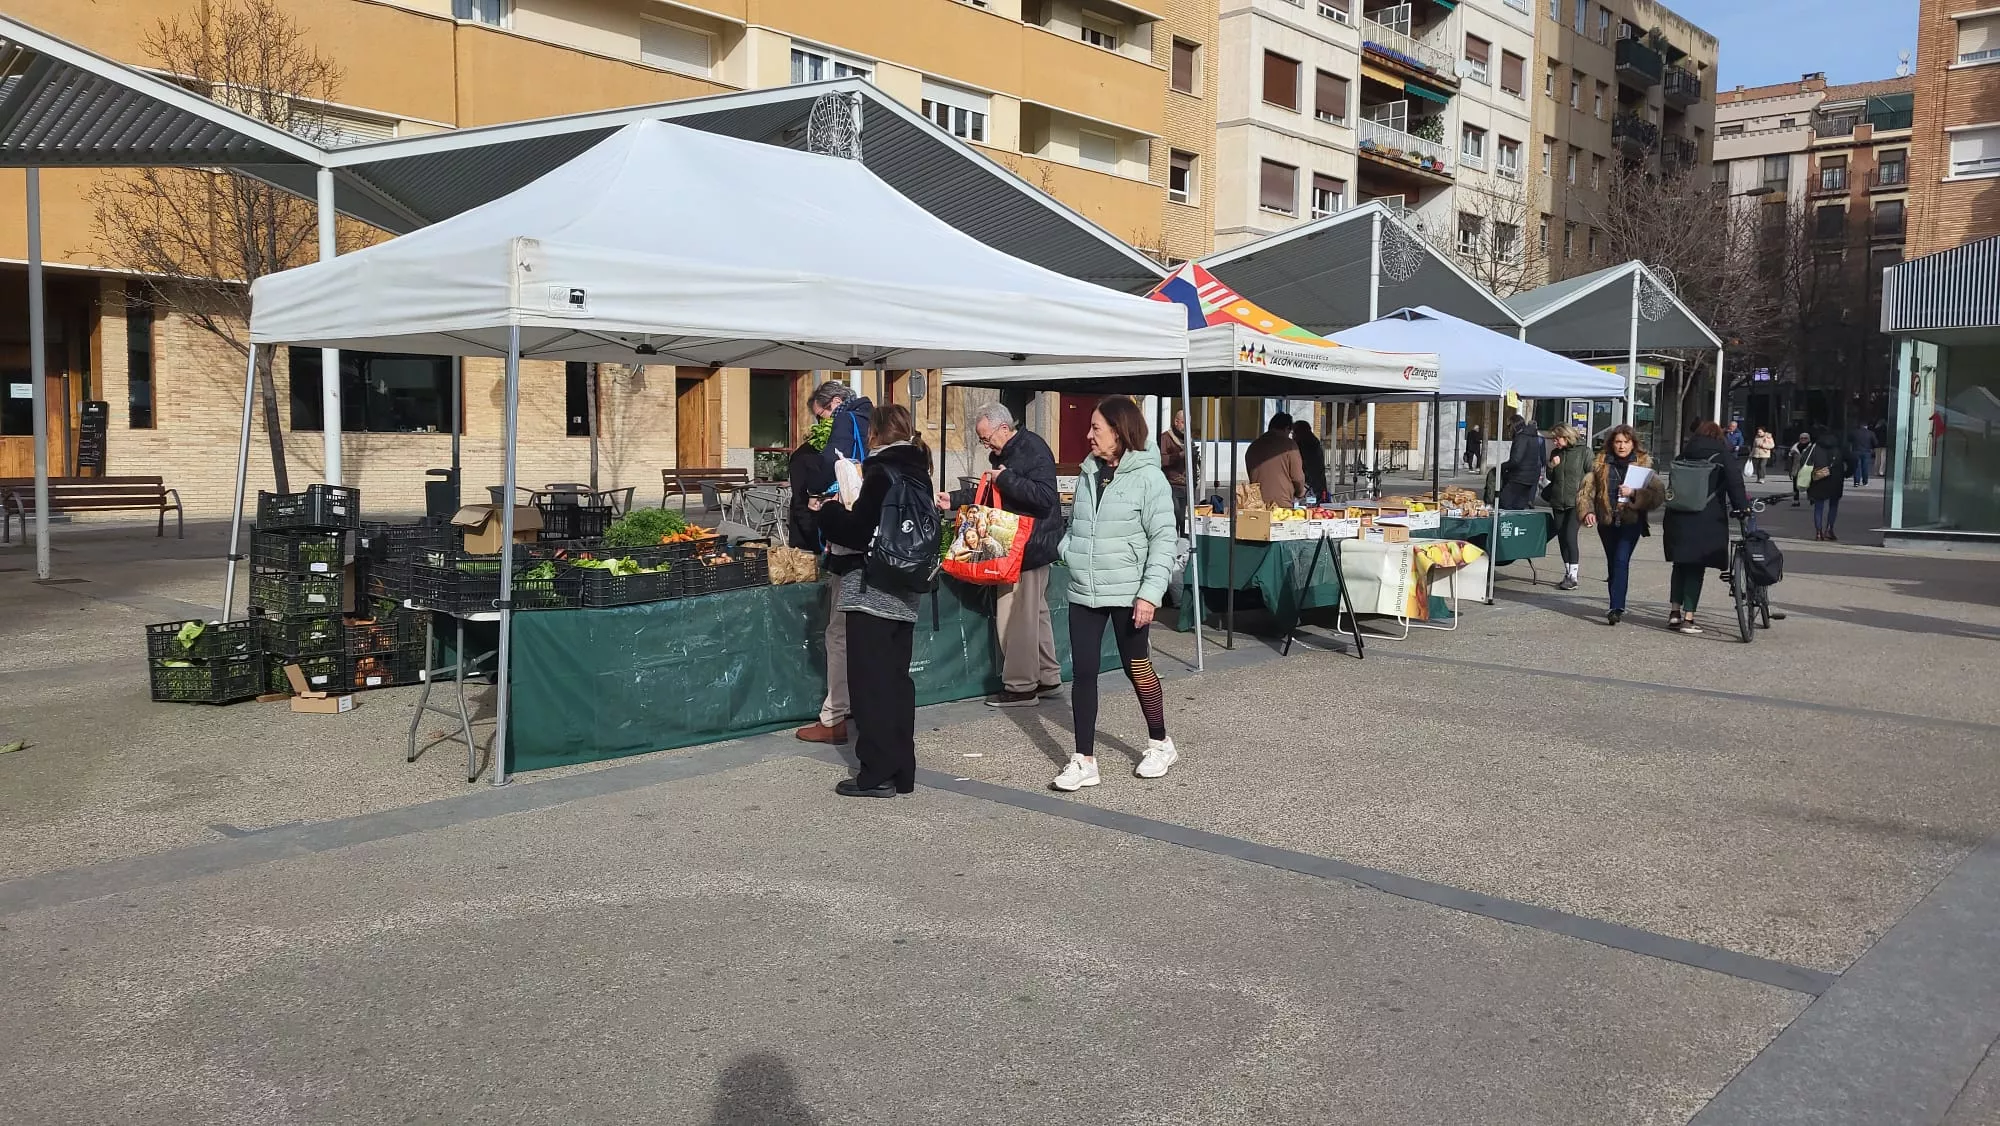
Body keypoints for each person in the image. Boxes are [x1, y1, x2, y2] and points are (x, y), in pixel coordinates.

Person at [1053, 396, 1180, 792]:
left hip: (1130, 592)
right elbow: (1075, 527)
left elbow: (1163, 540)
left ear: (1120, 432)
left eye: (1097, 428)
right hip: (1084, 590)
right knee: (1084, 673)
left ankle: (1160, 743)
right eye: (1090, 427)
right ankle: (1084, 760)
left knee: (1136, 666)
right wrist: (1068, 552)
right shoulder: (1088, 473)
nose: (1088, 435)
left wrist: (1149, 594)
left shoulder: (1149, 478)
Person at [810, 403, 933, 798]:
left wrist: (828, 513)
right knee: (897, 681)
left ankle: (876, 772)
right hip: (906, 589)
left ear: (875, 434)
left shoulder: (880, 471)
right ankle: (903, 769)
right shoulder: (919, 471)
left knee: (870, 684)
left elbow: (859, 531)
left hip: (871, 587)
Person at [938, 402, 1065, 708]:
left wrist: (1005, 478)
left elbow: (1045, 497)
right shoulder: (1009, 452)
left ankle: (1021, 686)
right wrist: (954, 499)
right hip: (1028, 545)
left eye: (985, 438)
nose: (985, 444)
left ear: (1004, 428)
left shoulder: (1031, 449)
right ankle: (1048, 677)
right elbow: (990, 494)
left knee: (1015, 616)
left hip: (1026, 547)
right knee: (1035, 615)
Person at [794, 380, 874, 747]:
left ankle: (834, 715)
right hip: (880, 552)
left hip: (850, 546)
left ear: (836, 402)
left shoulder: (844, 421)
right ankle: (860, 705)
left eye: (821, 412)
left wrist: (816, 495)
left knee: (838, 632)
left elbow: (828, 470)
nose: (821, 420)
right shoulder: (874, 421)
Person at [1660, 420, 1750, 636]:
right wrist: (1743, 509)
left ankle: (1674, 613)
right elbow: (1735, 485)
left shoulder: (1683, 455)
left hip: (1677, 517)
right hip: (1706, 518)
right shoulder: (1722, 456)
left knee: (1680, 564)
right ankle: (1688, 617)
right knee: (1696, 567)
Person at [1577, 424, 1665, 626]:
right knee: (1612, 563)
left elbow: (1658, 495)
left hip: (1630, 522)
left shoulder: (1643, 465)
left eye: (1626, 442)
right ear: (1612, 443)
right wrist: (1587, 512)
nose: (1622, 446)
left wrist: (1635, 494)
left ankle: (1616, 607)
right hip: (1607, 522)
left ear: (1633, 443)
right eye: (1618, 442)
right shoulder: (1600, 464)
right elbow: (1586, 492)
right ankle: (1614, 603)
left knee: (1620, 560)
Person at [1542, 425, 1589, 590]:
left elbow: (1592, 475)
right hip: (1558, 501)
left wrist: (1589, 503)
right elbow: (1549, 476)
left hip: (1576, 502)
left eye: (1557, 438)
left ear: (1567, 437)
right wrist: (1551, 466)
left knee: (1570, 536)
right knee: (1562, 537)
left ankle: (1574, 576)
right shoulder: (1556, 453)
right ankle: (1568, 573)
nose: (1555, 442)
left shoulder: (1584, 452)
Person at [1245, 411, 1306, 508]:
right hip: (1281, 503)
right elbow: (1297, 477)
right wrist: (1300, 493)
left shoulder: (1254, 445)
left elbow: (1251, 474)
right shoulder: (1290, 446)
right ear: (1286, 428)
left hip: (1257, 503)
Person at [1808, 426, 1851, 541]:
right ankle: (1829, 529)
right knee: (1833, 504)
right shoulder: (1840, 446)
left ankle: (1818, 532)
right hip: (1836, 478)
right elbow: (1853, 459)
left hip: (1819, 477)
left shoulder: (1815, 446)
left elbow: (1805, 461)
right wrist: (1847, 473)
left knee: (1819, 505)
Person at [1497, 413, 1544, 511]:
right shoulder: (1533, 436)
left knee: (1505, 503)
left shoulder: (1521, 437)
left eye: (1509, 426)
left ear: (1513, 425)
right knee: (1518, 507)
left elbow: (1516, 460)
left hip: (1518, 478)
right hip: (1529, 478)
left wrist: (1503, 466)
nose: (1508, 429)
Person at [1160, 408, 1193, 534]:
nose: (1186, 427)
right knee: (1175, 516)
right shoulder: (1166, 438)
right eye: (1184, 423)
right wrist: (1179, 455)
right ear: (1176, 422)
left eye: (1188, 423)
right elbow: (1161, 459)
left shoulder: (1188, 439)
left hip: (1186, 485)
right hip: (1171, 484)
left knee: (1184, 519)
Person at [1293, 418, 1329, 504]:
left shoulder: (1303, 445)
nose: (1293, 435)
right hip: (1317, 484)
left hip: (1309, 486)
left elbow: (1304, 468)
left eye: (1294, 432)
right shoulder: (1314, 442)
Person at [1788, 431, 1814, 507]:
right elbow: (1790, 459)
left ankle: (1811, 498)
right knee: (1795, 485)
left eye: (1805, 438)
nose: (1803, 439)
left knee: (1809, 484)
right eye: (1801, 438)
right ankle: (1796, 500)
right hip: (1796, 468)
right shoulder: (1794, 447)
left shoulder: (1812, 447)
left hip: (1808, 469)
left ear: (1808, 439)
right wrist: (1789, 470)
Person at [1848, 421, 1876, 486]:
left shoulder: (1854, 432)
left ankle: (1856, 482)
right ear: (1867, 426)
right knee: (1865, 467)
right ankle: (1865, 482)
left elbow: (1849, 440)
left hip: (1856, 451)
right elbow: (1875, 442)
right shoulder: (1871, 433)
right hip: (1866, 452)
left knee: (1857, 467)